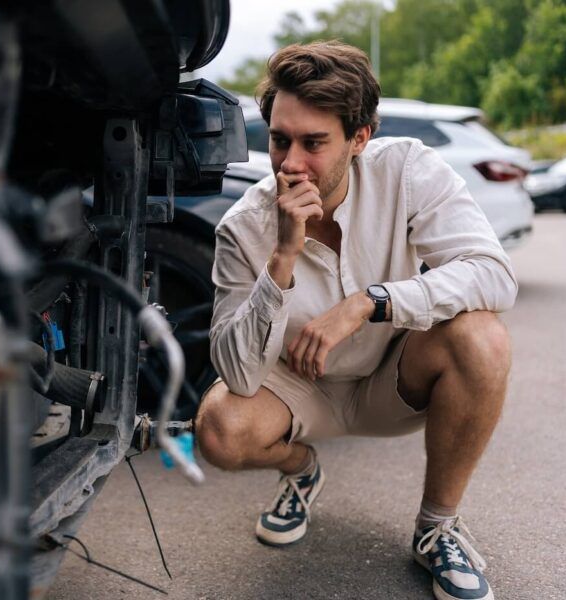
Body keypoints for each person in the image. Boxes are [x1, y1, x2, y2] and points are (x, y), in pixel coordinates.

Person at [195, 40, 514, 600]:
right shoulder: (243, 227)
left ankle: (437, 526)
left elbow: (492, 274)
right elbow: (239, 377)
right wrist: (282, 260)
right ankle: (302, 469)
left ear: (360, 138)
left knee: (482, 337)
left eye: (313, 143)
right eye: (278, 140)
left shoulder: (408, 169)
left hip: (393, 380)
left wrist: (370, 301)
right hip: (296, 390)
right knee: (219, 430)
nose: (290, 163)